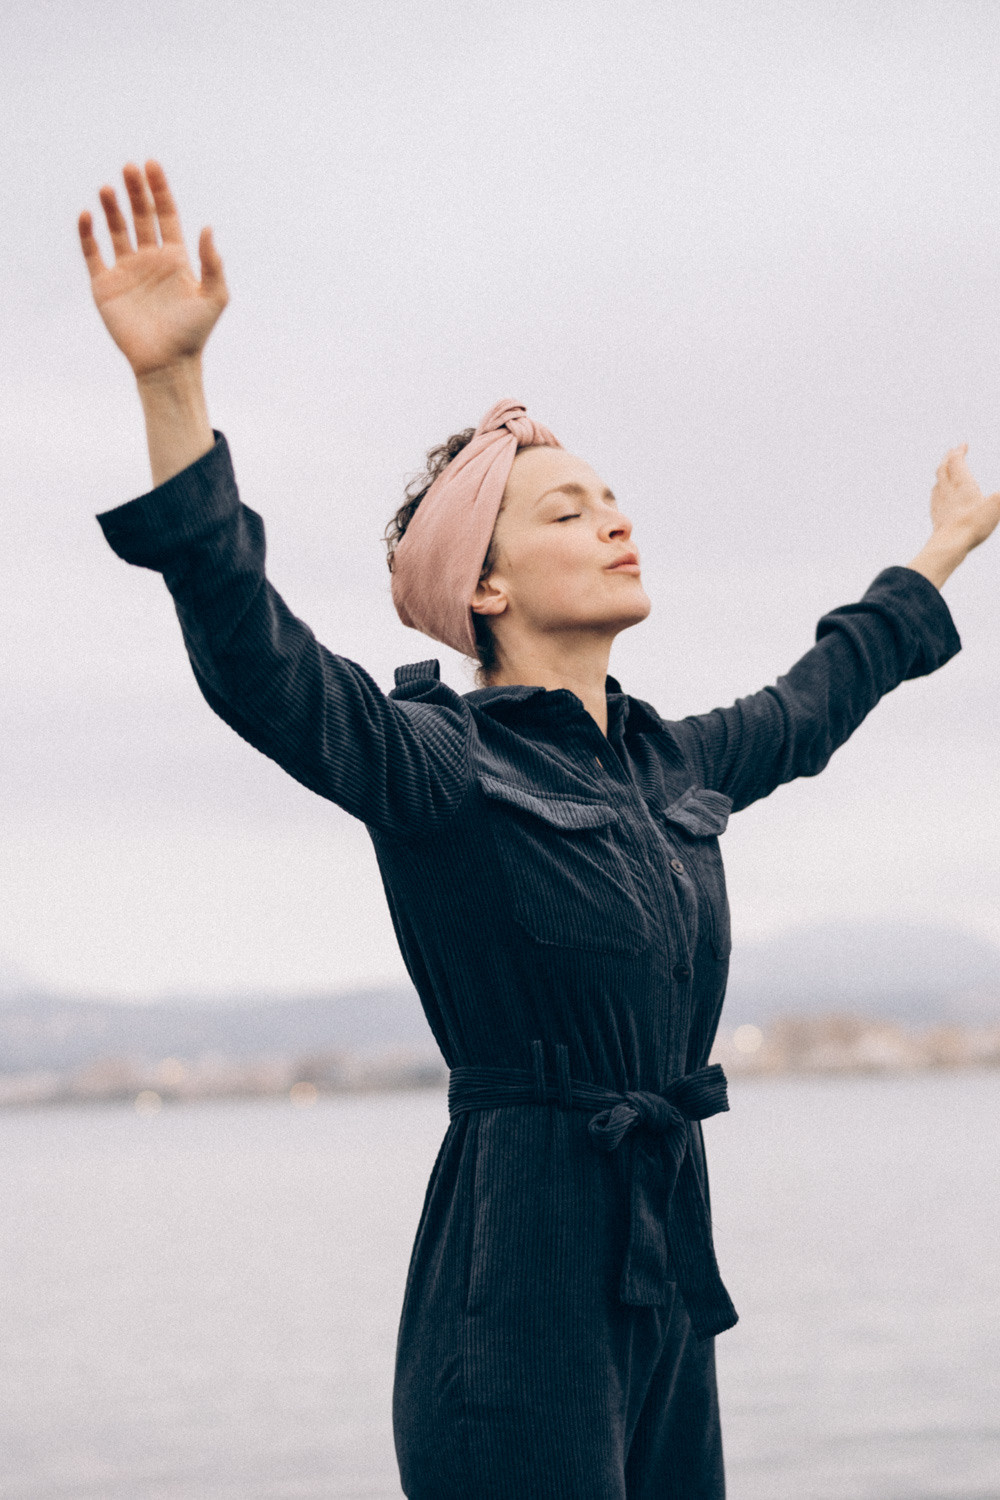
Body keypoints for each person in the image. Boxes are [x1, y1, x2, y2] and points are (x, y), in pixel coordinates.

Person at [78, 161, 998, 1500]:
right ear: (487, 584)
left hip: (664, 1271)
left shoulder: (672, 764)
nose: (615, 517)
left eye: (612, 496)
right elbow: (255, 658)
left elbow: (820, 696)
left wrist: (942, 553)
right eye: (568, 510)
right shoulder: (436, 762)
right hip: (512, 1289)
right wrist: (173, 387)